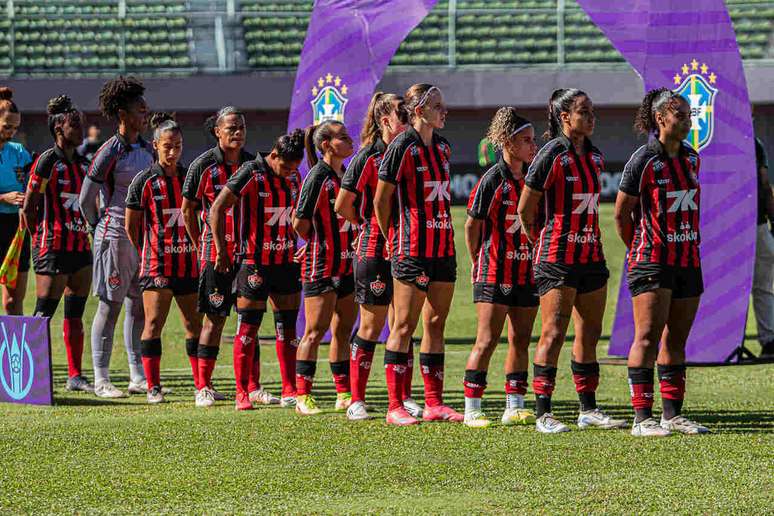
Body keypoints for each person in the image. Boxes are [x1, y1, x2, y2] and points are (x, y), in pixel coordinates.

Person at [518, 88, 626, 433]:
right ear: (565, 117)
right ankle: (543, 412)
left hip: (591, 257)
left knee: (590, 333)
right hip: (557, 259)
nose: (592, 117)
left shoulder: (595, 156)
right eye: (584, 111)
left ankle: (587, 409)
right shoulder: (550, 154)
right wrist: (542, 243)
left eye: (592, 110)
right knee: (552, 333)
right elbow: (525, 208)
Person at [615, 88, 710, 436]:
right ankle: (642, 419)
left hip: (687, 259)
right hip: (651, 261)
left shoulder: (691, 158)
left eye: (688, 115)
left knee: (676, 340)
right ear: (660, 118)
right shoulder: (642, 161)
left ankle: (673, 415)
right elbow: (621, 215)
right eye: (681, 115)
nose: (687, 121)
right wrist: (641, 249)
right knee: (646, 337)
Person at [374, 83, 463, 426]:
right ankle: (395, 405)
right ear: (419, 111)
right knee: (403, 325)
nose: (444, 111)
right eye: (438, 106)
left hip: (443, 247)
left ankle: (433, 403)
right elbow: (382, 201)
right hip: (411, 248)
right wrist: (390, 236)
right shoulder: (402, 146)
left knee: (436, 323)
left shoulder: (443, 147)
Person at [335, 92, 424, 421]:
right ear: (385, 121)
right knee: (371, 325)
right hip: (374, 250)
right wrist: (364, 227)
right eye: (403, 115)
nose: (409, 120)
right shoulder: (368, 157)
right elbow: (342, 205)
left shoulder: (412, 151)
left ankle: (403, 396)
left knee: (403, 324)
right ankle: (356, 399)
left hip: (406, 249)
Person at [209, 129, 305, 410]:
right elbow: (217, 208)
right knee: (248, 328)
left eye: (294, 168)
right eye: (285, 167)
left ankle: (290, 388)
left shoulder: (295, 177)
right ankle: (243, 392)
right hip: (254, 262)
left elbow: (297, 217)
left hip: (286, 262)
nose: (289, 173)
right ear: (273, 156)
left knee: (288, 329)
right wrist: (222, 250)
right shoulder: (251, 172)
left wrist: (302, 243)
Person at [462, 108, 539, 428]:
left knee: (520, 339)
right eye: (526, 141)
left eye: (534, 141)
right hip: (494, 271)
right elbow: (471, 225)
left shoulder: (534, 179)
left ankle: (515, 405)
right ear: (508, 143)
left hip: (526, 271)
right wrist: (476, 259)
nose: (533, 146)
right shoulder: (492, 179)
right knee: (487, 340)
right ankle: (472, 408)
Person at [79, 76, 153, 397]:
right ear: (123, 113)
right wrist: (99, 228)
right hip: (114, 236)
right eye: (140, 108)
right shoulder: (110, 151)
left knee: (139, 305)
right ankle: (101, 378)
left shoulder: (147, 149)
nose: (145, 112)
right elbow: (85, 198)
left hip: (142, 238)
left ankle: (137, 375)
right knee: (110, 305)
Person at [125, 113, 202, 404]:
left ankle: (200, 385)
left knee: (194, 325)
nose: (173, 152)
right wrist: (147, 250)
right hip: (157, 265)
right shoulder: (143, 181)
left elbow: (200, 217)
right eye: (167, 146)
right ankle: (153, 387)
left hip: (188, 264)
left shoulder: (189, 178)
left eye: (178, 146)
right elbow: (131, 226)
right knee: (154, 324)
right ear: (156, 145)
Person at [20, 95, 92, 391]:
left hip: (80, 246)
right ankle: (30, 376)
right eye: (74, 125)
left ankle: (75, 376)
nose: (81, 129)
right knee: (43, 314)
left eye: (81, 124)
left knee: (76, 313)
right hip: (53, 246)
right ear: (59, 129)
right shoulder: (47, 161)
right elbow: (28, 207)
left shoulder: (86, 164)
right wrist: (41, 241)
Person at [182, 107, 253, 402]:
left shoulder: (253, 163)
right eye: (231, 128)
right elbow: (188, 209)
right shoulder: (203, 166)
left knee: (250, 318)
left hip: (248, 252)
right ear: (217, 132)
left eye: (241, 127)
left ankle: (251, 387)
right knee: (215, 319)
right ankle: (203, 387)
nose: (237, 133)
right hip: (217, 253)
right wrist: (202, 245)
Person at [292, 120, 357, 415]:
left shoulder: (345, 174)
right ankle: (302, 396)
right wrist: (318, 242)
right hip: (321, 265)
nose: (349, 139)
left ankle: (343, 392)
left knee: (343, 330)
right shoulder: (317, 177)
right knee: (314, 332)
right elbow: (299, 223)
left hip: (347, 264)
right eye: (342, 137)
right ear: (326, 145)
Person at [0, 87, 32, 316]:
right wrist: (3, 197)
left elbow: (32, 184)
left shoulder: (19, 151)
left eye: (15, 127)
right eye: (6, 127)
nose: (11, 132)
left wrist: (27, 202)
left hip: (17, 228)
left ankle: (13, 351)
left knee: (13, 301)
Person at [753, 136, 774, 358]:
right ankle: (769, 340)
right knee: (763, 287)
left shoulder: (755, 143)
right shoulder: (754, 142)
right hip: (757, 223)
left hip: (755, 223)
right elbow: (765, 183)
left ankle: (769, 341)